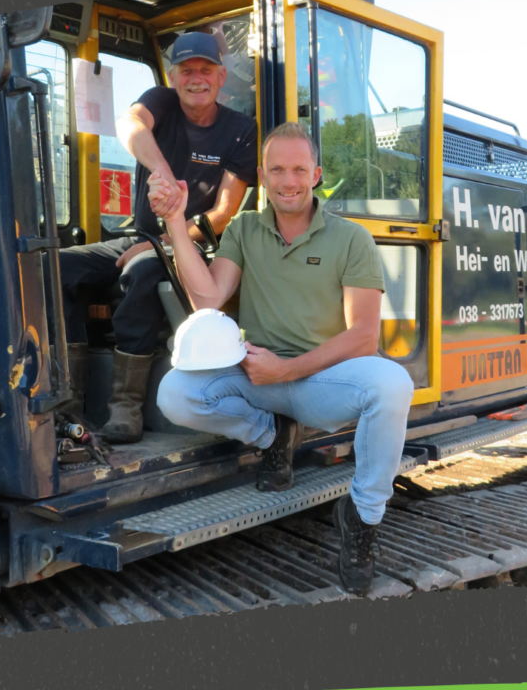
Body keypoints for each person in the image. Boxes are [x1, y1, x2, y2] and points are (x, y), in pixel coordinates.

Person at [153, 121, 414, 596]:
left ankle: (362, 517)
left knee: (393, 384)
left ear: (316, 174)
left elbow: (362, 337)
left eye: (298, 169)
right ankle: (272, 435)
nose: (288, 181)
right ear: (262, 175)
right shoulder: (244, 228)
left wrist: (288, 369)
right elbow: (207, 299)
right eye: (276, 170)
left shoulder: (351, 239)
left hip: (321, 382)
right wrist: (175, 220)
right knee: (175, 393)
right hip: (259, 375)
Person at [50, 31, 259, 444]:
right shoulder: (160, 102)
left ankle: (125, 406)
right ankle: (68, 401)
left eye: (205, 70)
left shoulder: (240, 130)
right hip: (141, 235)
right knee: (55, 267)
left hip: (195, 246)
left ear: (221, 77)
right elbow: (129, 123)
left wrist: (161, 242)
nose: (196, 78)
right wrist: (163, 173)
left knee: (144, 271)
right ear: (172, 76)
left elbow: (222, 215)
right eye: (186, 70)